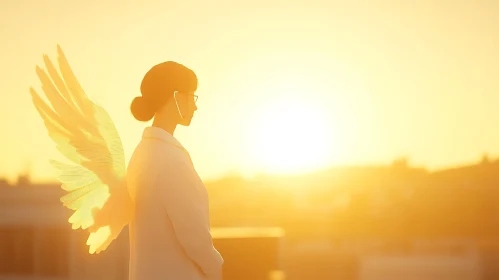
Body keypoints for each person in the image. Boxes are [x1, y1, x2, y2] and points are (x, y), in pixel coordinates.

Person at [126, 61, 224, 280]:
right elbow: (196, 238)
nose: (195, 106)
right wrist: (217, 267)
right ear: (176, 96)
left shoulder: (141, 154)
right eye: (192, 96)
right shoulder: (170, 159)